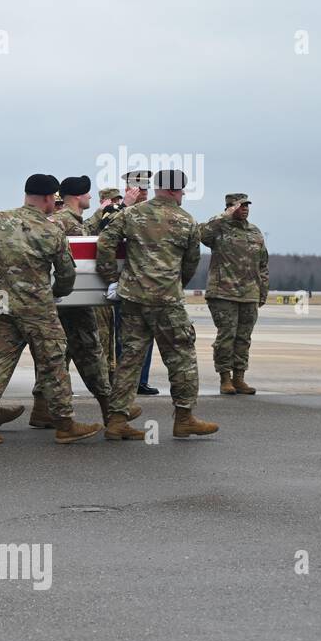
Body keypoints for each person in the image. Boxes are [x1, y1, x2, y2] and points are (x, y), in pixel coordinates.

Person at [0, 174, 99, 444]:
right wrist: (58, 293)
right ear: (49, 198)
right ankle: (65, 423)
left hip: (3, 301)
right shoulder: (51, 230)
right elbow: (66, 274)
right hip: (38, 306)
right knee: (54, 363)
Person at [98, 169, 218, 439]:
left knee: (129, 358)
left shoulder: (131, 214)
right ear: (177, 191)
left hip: (132, 297)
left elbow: (106, 241)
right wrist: (174, 284)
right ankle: (184, 417)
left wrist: (111, 278)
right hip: (167, 301)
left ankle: (117, 421)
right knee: (181, 356)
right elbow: (190, 264)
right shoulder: (187, 221)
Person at [26, 176, 136, 427]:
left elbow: (86, 230)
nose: (90, 197)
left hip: (68, 298)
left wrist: (108, 212)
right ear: (78, 197)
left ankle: (43, 409)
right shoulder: (65, 220)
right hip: (71, 298)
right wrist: (121, 208)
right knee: (89, 353)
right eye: (87, 194)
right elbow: (86, 241)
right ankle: (112, 410)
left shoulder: (67, 220)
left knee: (59, 357)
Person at [200, 193, 269, 395]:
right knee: (226, 337)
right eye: (241, 205)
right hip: (223, 293)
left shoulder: (255, 232)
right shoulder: (219, 228)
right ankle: (225, 378)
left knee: (243, 338)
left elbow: (263, 264)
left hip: (249, 293)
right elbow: (202, 234)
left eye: (247, 205)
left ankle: (239, 378)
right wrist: (223, 216)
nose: (245, 208)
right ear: (230, 207)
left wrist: (262, 291)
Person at [112, 170, 160, 396]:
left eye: (145, 188)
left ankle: (141, 380)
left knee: (146, 336)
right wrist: (124, 206)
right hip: (125, 282)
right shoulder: (114, 211)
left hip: (149, 284)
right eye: (138, 188)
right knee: (126, 337)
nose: (142, 192)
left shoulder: (153, 213)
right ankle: (123, 382)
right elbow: (105, 236)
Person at [85, 186, 123, 385]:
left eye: (119, 200)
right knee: (99, 334)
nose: (116, 203)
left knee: (109, 333)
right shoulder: (98, 220)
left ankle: (110, 374)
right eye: (113, 201)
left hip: (112, 283)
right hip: (95, 284)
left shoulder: (120, 216)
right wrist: (103, 213)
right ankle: (102, 380)